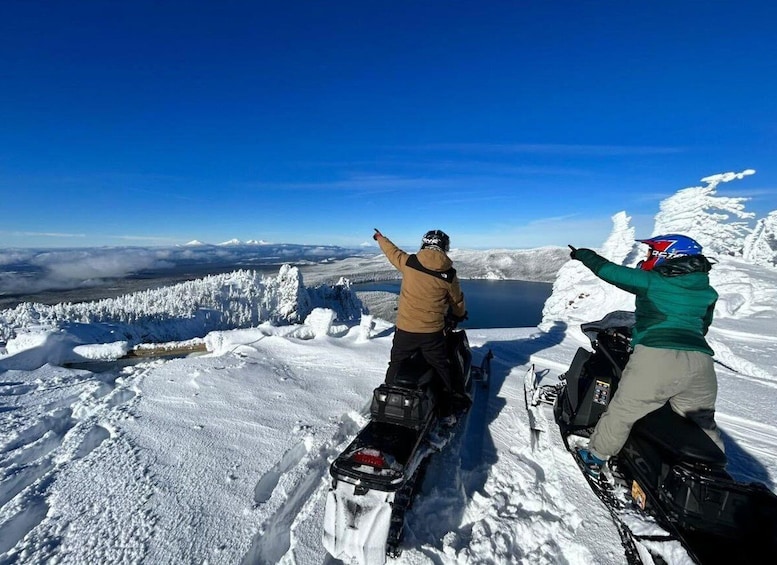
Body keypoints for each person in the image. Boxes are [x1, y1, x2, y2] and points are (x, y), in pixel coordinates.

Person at [568, 234, 723, 478]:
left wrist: (583, 254)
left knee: (624, 410)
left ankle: (596, 457)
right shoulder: (707, 291)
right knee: (701, 422)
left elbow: (609, 271)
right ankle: (711, 475)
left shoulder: (652, 281)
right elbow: (703, 326)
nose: (647, 257)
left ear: (668, 256)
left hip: (657, 355)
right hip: (701, 361)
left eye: (652, 253)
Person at [373, 228, 469, 422]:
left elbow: (392, 252)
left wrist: (381, 238)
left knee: (396, 363)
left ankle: (387, 400)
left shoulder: (410, 262)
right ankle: (447, 410)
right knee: (441, 367)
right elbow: (457, 302)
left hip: (405, 331)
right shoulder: (449, 274)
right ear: (444, 247)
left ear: (424, 243)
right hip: (432, 334)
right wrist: (459, 314)